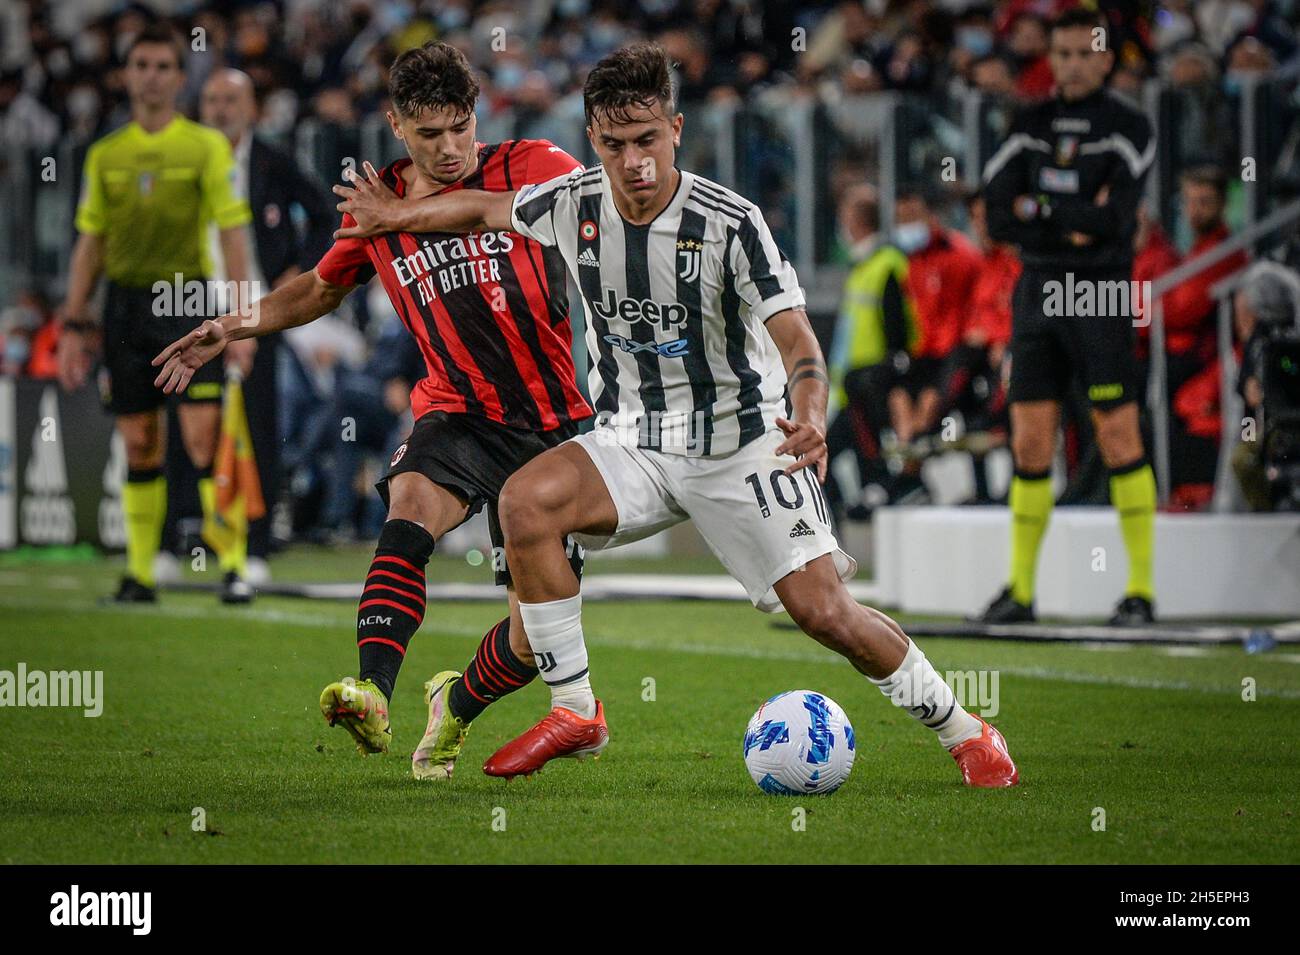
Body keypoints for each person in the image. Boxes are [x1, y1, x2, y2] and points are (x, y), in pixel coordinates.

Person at [329, 43, 1019, 787]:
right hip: (634, 441)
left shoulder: (732, 221)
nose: (634, 161)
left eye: (648, 140)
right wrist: (394, 215)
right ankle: (576, 710)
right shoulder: (572, 202)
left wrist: (811, 412)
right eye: (617, 144)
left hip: (738, 444)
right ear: (594, 140)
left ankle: (966, 729)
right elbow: (480, 208)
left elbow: (799, 341)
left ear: (676, 130)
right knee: (527, 501)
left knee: (825, 612)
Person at [153, 41, 592, 782]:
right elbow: (319, 289)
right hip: (455, 411)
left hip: (551, 425)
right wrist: (232, 323)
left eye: (461, 127)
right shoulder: (376, 203)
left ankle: (453, 703)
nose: (450, 148)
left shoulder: (537, 165)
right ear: (396, 126)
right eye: (430, 134)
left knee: (527, 640)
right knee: (408, 508)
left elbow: (603, 213)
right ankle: (373, 693)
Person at [56, 23, 256, 604]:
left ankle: (235, 565)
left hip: (188, 300)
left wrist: (242, 319)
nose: (151, 75)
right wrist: (74, 322)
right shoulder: (104, 155)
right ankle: (140, 574)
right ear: (126, 75)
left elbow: (232, 231)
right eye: (140, 65)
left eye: (162, 66)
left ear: (177, 76)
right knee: (140, 439)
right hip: (124, 306)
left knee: (204, 436)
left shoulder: (204, 146)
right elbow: (89, 243)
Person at [978, 8, 1158, 626]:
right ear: (1049, 57)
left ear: (1107, 58)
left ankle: (1139, 591)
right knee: (1030, 443)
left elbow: (1116, 222)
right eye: (1062, 53)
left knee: (1117, 436)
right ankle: (1021, 592)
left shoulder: (1130, 125)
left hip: (1103, 292)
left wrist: (1041, 206)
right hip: (1036, 290)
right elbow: (997, 215)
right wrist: (1073, 212)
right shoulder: (1026, 122)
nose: (1072, 64)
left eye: (1085, 52)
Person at [199, 68, 336, 582]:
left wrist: (296, 272)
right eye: (211, 99)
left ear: (252, 107)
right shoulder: (190, 162)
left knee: (258, 423)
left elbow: (325, 213)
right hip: (192, 304)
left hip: (256, 311)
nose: (220, 109)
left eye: (230, 99)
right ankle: (186, 538)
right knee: (192, 425)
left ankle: (255, 545)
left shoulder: (273, 161)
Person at [824, 184, 917, 521]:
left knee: (829, 456)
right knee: (824, 460)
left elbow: (897, 327)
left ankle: (849, 525)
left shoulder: (885, 264)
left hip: (873, 385)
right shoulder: (863, 266)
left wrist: (889, 372)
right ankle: (842, 530)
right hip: (853, 387)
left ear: (856, 221)